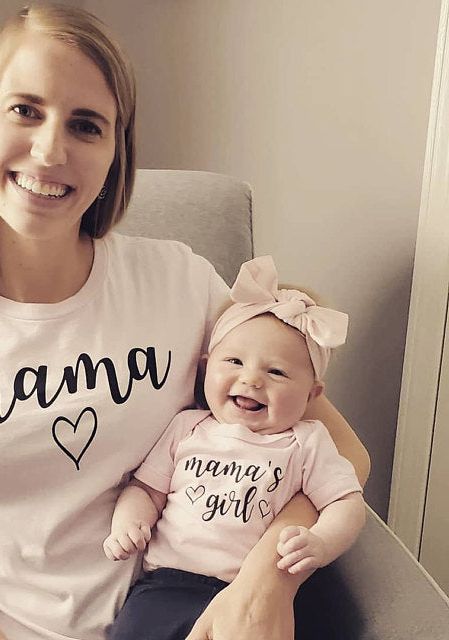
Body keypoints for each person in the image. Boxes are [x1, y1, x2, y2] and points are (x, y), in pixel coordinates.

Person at [0, 4, 369, 640]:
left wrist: (265, 580)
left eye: (86, 126)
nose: (50, 149)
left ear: (117, 151)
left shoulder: (182, 285)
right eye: (25, 109)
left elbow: (344, 456)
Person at [103, 255, 366, 639]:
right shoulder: (187, 428)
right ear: (207, 367)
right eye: (234, 361)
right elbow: (146, 490)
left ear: (312, 394)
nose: (252, 379)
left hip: (254, 591)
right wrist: (127, 524)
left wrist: (323, 540)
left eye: (276, 372)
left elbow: (346, 501)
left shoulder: (307, 441)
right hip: (167, 586)